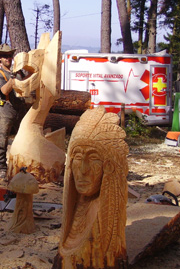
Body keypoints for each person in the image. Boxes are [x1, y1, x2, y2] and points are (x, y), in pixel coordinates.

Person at [53, 106, 128, 268]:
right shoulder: (75, 213)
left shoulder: (103, 228)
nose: (83, 170)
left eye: (93, 157)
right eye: (78, 157)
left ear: (108, 166)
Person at [0, 43, 27, 180]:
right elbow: (4, 91)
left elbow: (25, 83)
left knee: (23, 139)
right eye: (5, 56)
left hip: (20, 108)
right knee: (2, 140)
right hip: (5, 108)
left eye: (10, 56)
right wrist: (12, 79)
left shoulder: (18, 72)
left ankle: (21, 166)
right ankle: (1, 168)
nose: (8, 58)